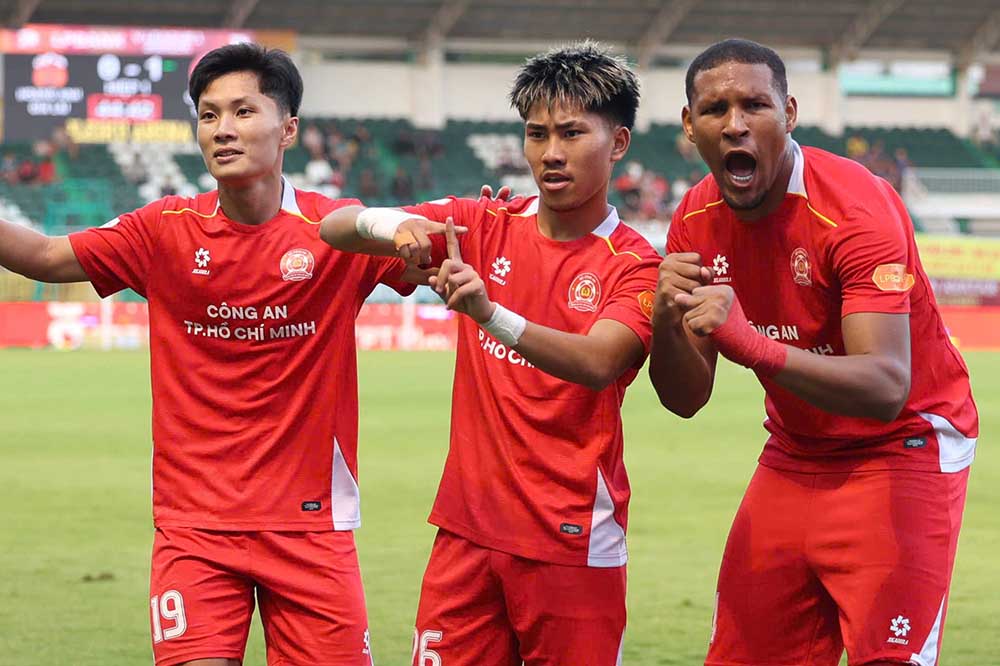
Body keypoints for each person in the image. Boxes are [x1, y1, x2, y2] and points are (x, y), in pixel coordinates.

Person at [0, 43, 420, 666]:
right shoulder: (162, 229)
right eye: (208, 114)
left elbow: (435, 253)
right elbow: (41, 257)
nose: (223, 129)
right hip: (193, 530)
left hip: (312, 529)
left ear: (289, 128)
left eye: (244, 111)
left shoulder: (339, 230)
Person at [320, 41, 660, 665]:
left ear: (618, 144)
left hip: (571, 541)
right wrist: (395, 229)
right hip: (465, 535)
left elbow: (598, 362)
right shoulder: (482, 223)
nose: (551, 153)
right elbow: (334, 225)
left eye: (572, 133)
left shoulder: (637, 264)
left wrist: (488, 313)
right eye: (537, 134)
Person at [649, 38, 978, 666]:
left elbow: (886, 388)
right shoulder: (694, 219)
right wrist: (666, 321)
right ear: (690, 127)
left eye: (755, 105)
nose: (736, 123)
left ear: (790, 113)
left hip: (904, 444)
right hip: (797, 452)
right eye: (715, 109)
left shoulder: (856, 208)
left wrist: (750, 346)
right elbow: (686, 400)